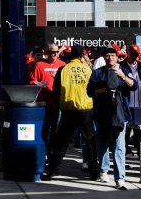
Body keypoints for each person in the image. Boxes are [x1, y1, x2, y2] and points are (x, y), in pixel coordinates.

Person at [44, 45, 100, 181]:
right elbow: (94, 89)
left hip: (68, 109)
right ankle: (94, 172)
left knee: (61, 142)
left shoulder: (63, 69)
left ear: (70, 55)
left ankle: (52, 170)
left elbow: (56, 91)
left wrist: (61, 105)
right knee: (90, 140)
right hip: (85, 109)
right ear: (81, 56)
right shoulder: (88, 69)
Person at [87, 46, 136, 190]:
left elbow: (134, 86)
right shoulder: (97, 73)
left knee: (119, 146)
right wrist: (106, 90)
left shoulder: (124, 70)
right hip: (101, 114)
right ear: (104, 58)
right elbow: (90, 92)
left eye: (113, 55)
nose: (110, 58)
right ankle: (103, 170)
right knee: (102, 144)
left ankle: (120, 178)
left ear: (117, 57)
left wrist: (122, 76)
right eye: (107, 55)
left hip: (120, 114)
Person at [30, 43, 65, 145]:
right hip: (43, 103)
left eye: (55, 52)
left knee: (56, 129)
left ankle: (53, 152)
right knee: (43, 129)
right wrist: (39, 84)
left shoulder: (62, 64)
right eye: (51, 52)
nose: (53, 54)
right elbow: (33, 81)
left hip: (57, 103)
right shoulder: (39, 64)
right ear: (46, 52)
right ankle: (44, 151)